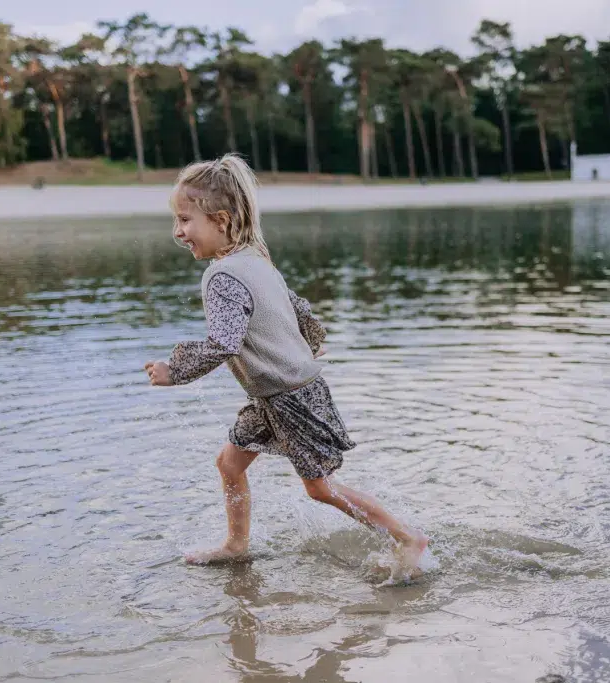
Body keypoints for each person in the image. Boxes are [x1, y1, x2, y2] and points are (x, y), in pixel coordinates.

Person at [144, 154, 428, 580]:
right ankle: (236, 546)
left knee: (320, 488)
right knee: (229, 464)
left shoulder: (222, 276)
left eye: (185, 220)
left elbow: (224, 342)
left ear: (220, 220)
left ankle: (408, 537)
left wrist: (175, 370)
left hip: (290, 397)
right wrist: (309, 345)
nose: (178, 232)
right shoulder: (257, 259)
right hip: (275, 395)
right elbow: (297, 309)